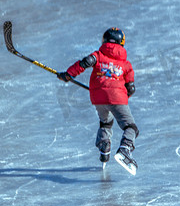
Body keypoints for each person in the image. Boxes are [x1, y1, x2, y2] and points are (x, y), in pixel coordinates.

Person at [56, 27, 139, 175]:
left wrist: (68, 75)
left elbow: (84, 63)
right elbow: (130, 88)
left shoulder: (98, 55)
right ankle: (125, 149)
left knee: (106, 122)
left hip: (98, 97)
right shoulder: (126, 65)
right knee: (130, 127)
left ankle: (104, 148)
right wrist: (120, 97)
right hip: (117, 99)